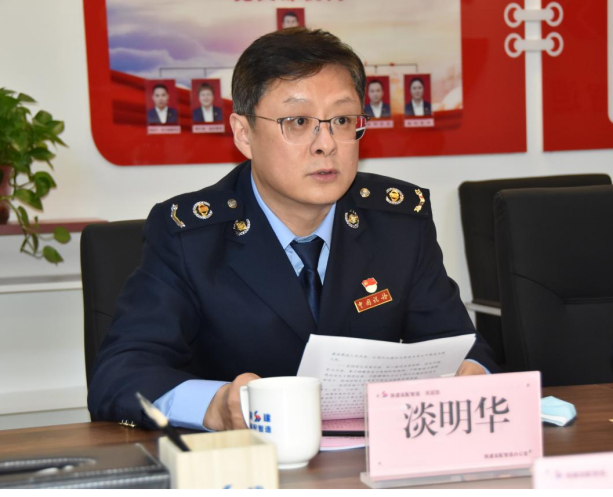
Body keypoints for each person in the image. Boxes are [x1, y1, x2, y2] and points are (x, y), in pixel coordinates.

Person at [88, 28, 497, 432]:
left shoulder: (398, 224)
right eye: (299, 121)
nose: (326, 144)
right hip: (245, 462)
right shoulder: (189, 237)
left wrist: (472, 373)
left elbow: (463, 347)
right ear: (243, 134)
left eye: (342, 120)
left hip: (367, 460)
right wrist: (215, 406)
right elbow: (120, 375)